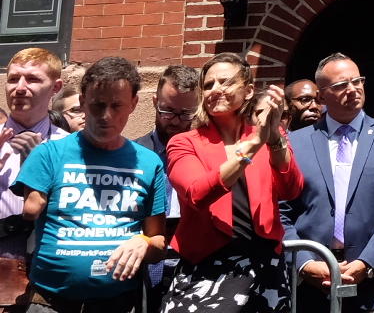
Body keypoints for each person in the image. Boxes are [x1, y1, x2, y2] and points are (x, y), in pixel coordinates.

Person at [13, 57, 168, 313]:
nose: (106, 116)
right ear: (83, 102)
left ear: (133, 104)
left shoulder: (149, 163)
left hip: (117, 304)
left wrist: (144, 242)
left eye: (117, 105)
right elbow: (30, 210)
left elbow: (159, 242)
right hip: (49, 303)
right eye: (97, 105)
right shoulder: (50, 154)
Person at [163, 54, 301, 313]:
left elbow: (291, 189)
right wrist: (251, 147)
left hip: (265, 267)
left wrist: (274, 141)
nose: (215, 90)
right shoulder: (185, 142)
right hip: (207, 268)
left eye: (225, 82)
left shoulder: (269, 135)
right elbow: (196, 194)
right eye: (208, 85)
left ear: (248, 91)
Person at [285, 55, 374, 313]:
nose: (353, 88)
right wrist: (303, 262)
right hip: (311, 281)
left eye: (357, 80)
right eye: (341, 84)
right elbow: (279, 210)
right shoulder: (295, 144)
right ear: (321, 96)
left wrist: (367, 262)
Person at [0, 48, 70, 307]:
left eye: (32, 79)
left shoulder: (71, 147)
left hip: (51, 275)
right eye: (13, 79)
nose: (19, 88)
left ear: (56, 87)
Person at [137, 66, 203, 313]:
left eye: (186, 113)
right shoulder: (133, 154)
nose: (176, 121)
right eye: (167, 111)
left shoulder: (207, 154)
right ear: (155, 101)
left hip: (192, 267)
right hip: (144, 268)